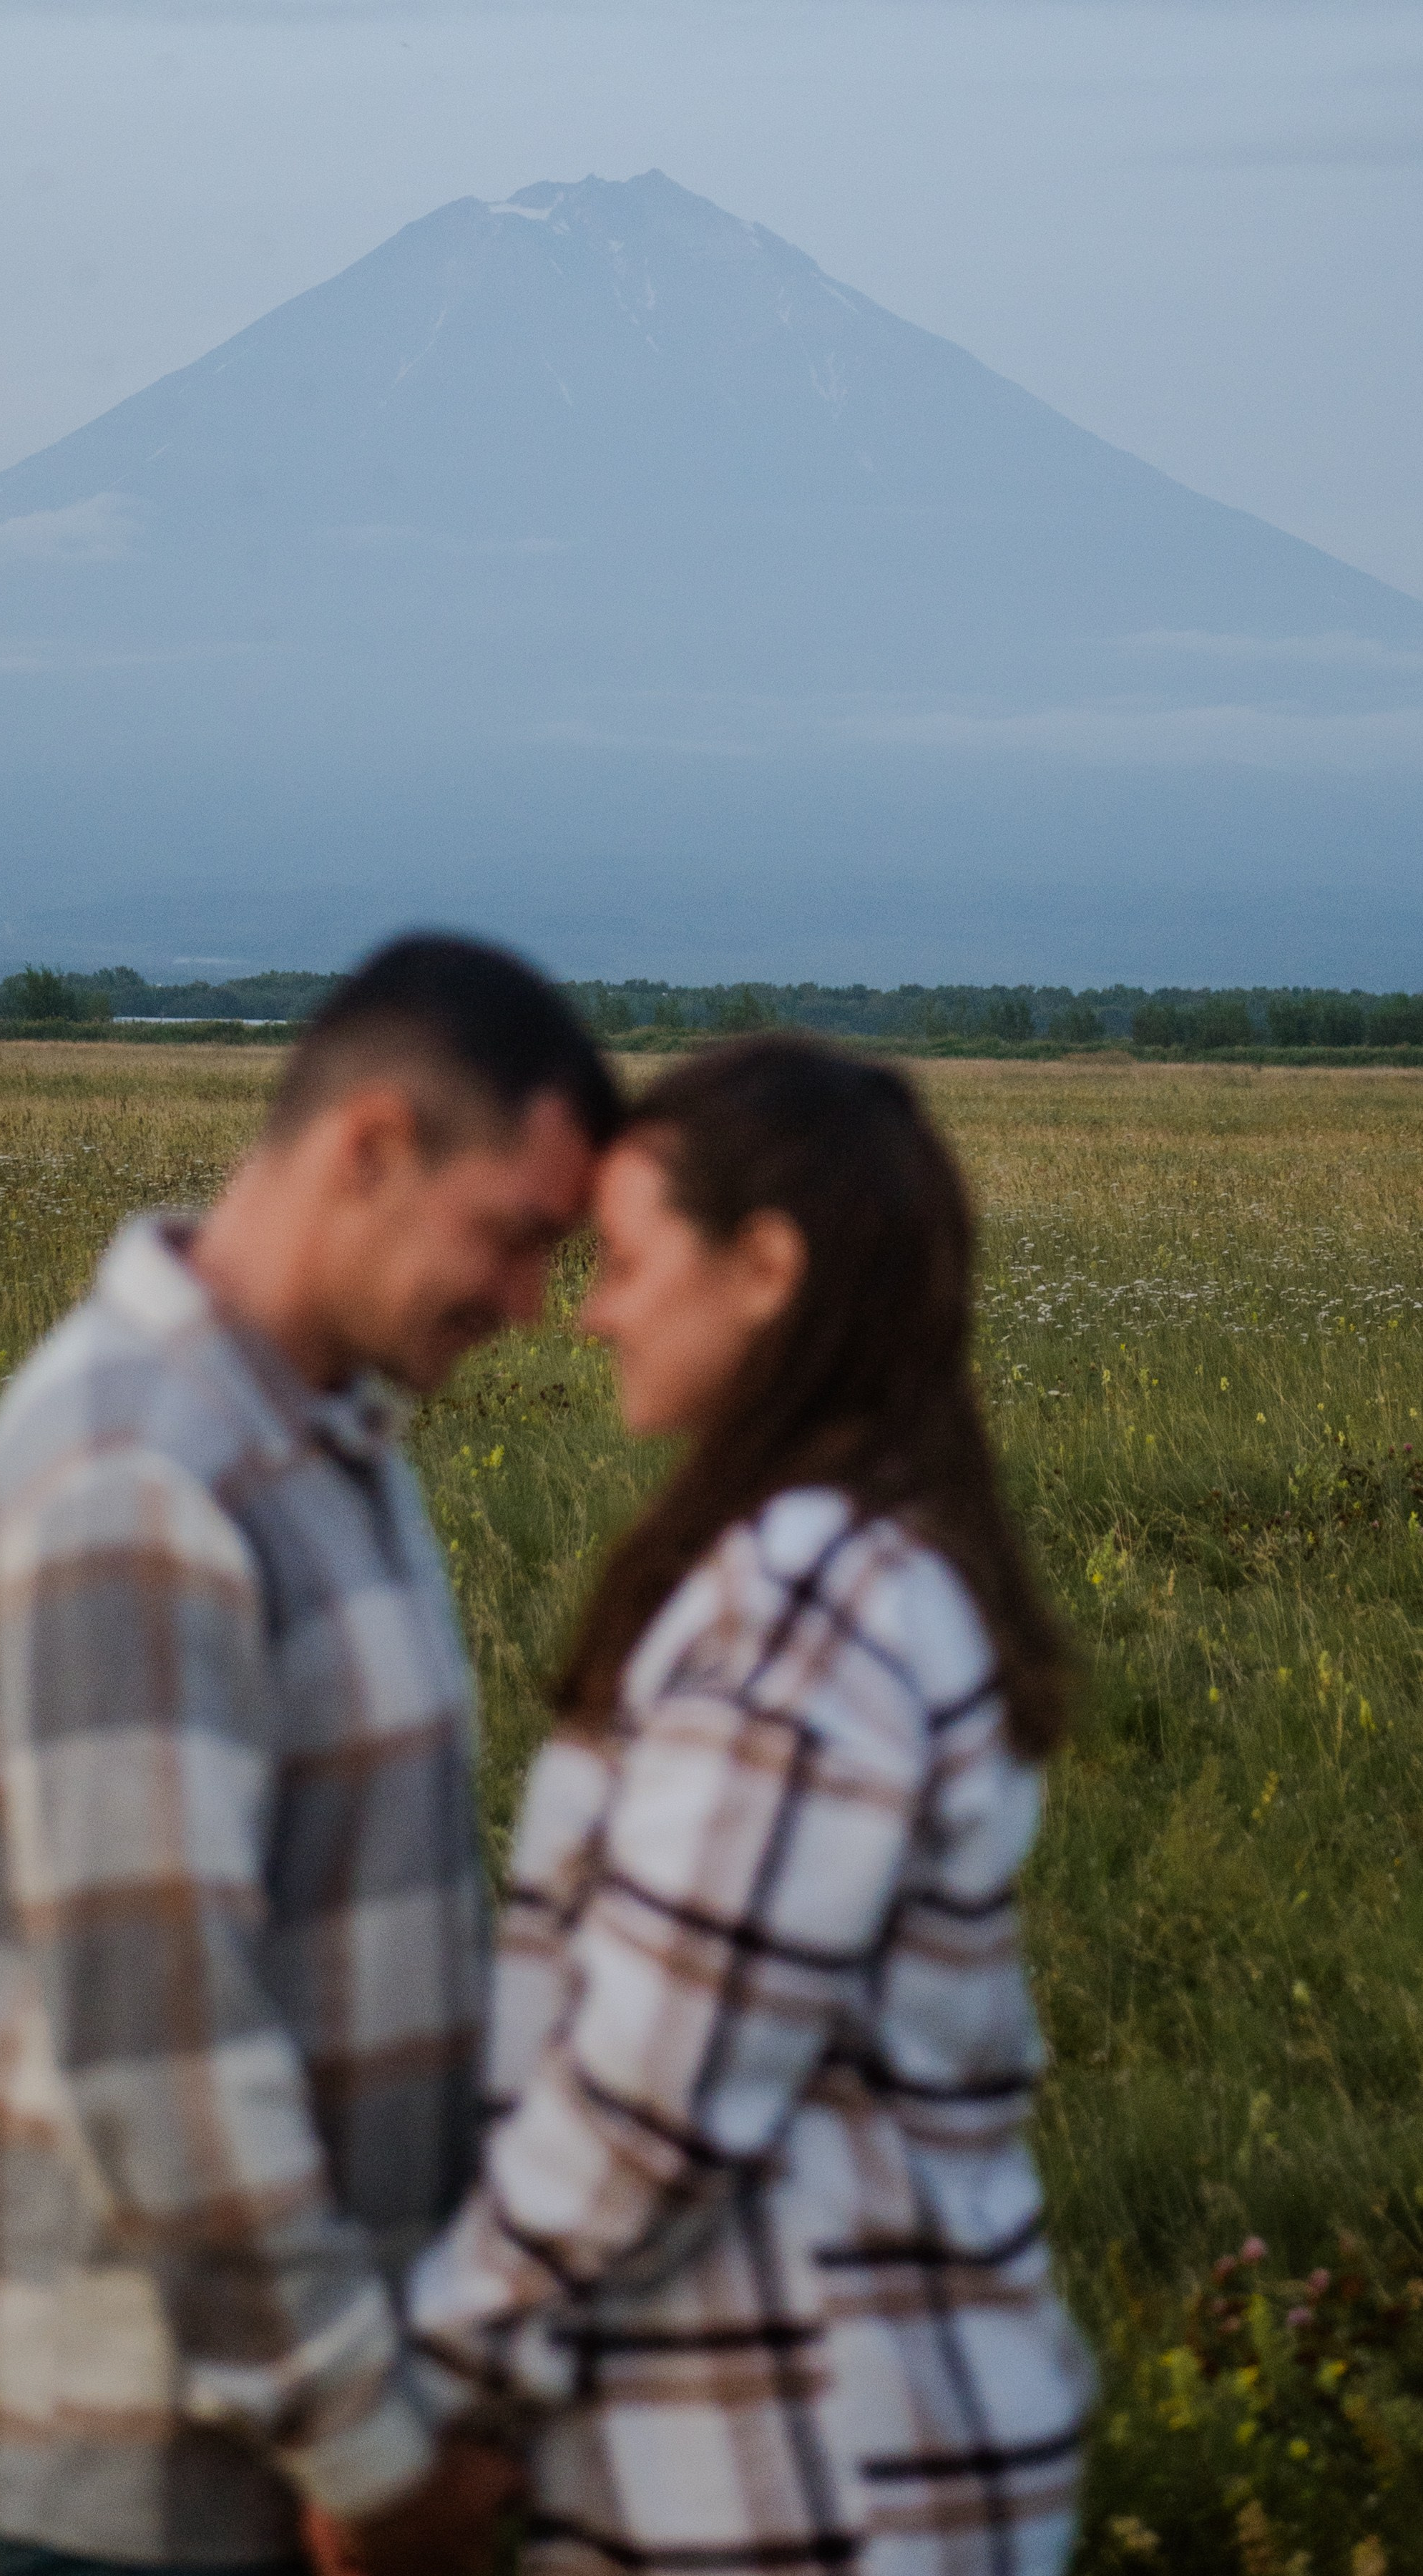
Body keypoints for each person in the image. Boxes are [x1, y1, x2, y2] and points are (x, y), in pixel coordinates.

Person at [0, 935, 620, 2576]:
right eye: (515, 1239)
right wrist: (369, 2458)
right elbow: (165, 2049)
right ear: (372, 1148)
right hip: (167, 2483)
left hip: (287, 2445)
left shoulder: (313, 1433)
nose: (532, 1308)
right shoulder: (136, 1476)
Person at [409, 1035, 1095, 2576]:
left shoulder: (802, 1608)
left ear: (766, 1266)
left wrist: (432, 2396)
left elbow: (655, 2091)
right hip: (843, 2451)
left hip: (803, 2481)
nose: (589, 1309)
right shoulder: (869, 1566)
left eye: (632, 1259)